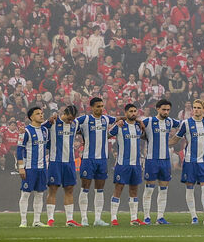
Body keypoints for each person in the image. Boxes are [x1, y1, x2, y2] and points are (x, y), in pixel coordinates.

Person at [75, 97, 117, 227]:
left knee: (100, 189)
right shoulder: (85, 119)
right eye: (98, 106)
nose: (100, 108)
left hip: (103, 159)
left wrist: (137, 120)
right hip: (88, 159)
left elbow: (120, 118)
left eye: (102, 106)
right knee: (85, 188)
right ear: (92, 107)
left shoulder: (106, 119)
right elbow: (71, 123)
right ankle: (84, 218)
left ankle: (97, 218)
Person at [176, 99, 204, 224]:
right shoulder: (186, 123)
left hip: (203, 161)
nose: (196, 109)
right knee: (190, 189)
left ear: (203, 110)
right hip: (189, 161)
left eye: (199, 107)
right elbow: (176, 138)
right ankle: (194, 217)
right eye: (194, 107)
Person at [42, 104, 81, 226]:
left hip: (69, 161)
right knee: (53, 189)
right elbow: (39, 128)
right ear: (64, 113)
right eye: (69, 118)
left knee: (69, 189)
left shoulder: (75, 124)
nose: (71, 121)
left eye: (73, 119)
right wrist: (48, 121)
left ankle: (69, 219)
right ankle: (50, 219)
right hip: (55, 161)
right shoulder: (53, 122)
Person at [108, 103, 146, 226]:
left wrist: (140, 122)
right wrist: (117, 122)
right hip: (122, 163)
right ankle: (113, 217)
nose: (133, 113)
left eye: (135, 111)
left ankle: (134, 218)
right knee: (118, 189)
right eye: (131, 111)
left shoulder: (138, 126)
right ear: (126, 113)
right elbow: (107, 134)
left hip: (136, 164)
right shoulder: (120, 126)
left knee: (134, 190)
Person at [140, 99, 177, 225]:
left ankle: (160, 217)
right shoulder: (149, 121)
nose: (166, 112)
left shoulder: (170, 121)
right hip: (151, 160)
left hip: (165, 160)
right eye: (164, 109)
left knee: (163, 190)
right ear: (157, 109)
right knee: (149, 189)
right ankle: (146, 217)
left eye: (168, 110)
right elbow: (135, 124)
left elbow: (185, 124)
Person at [16, 106, 49, 228]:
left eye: (41, 113)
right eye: (38, 114)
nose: (41, 115)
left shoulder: (45, 131)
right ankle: (23, 221)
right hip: (29, 168)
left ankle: (36, 221)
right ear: (31, 117)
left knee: (40, 194)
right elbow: (19, 150)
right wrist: (21, 167)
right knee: (25, 194)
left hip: (42, 168)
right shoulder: (26, 131)